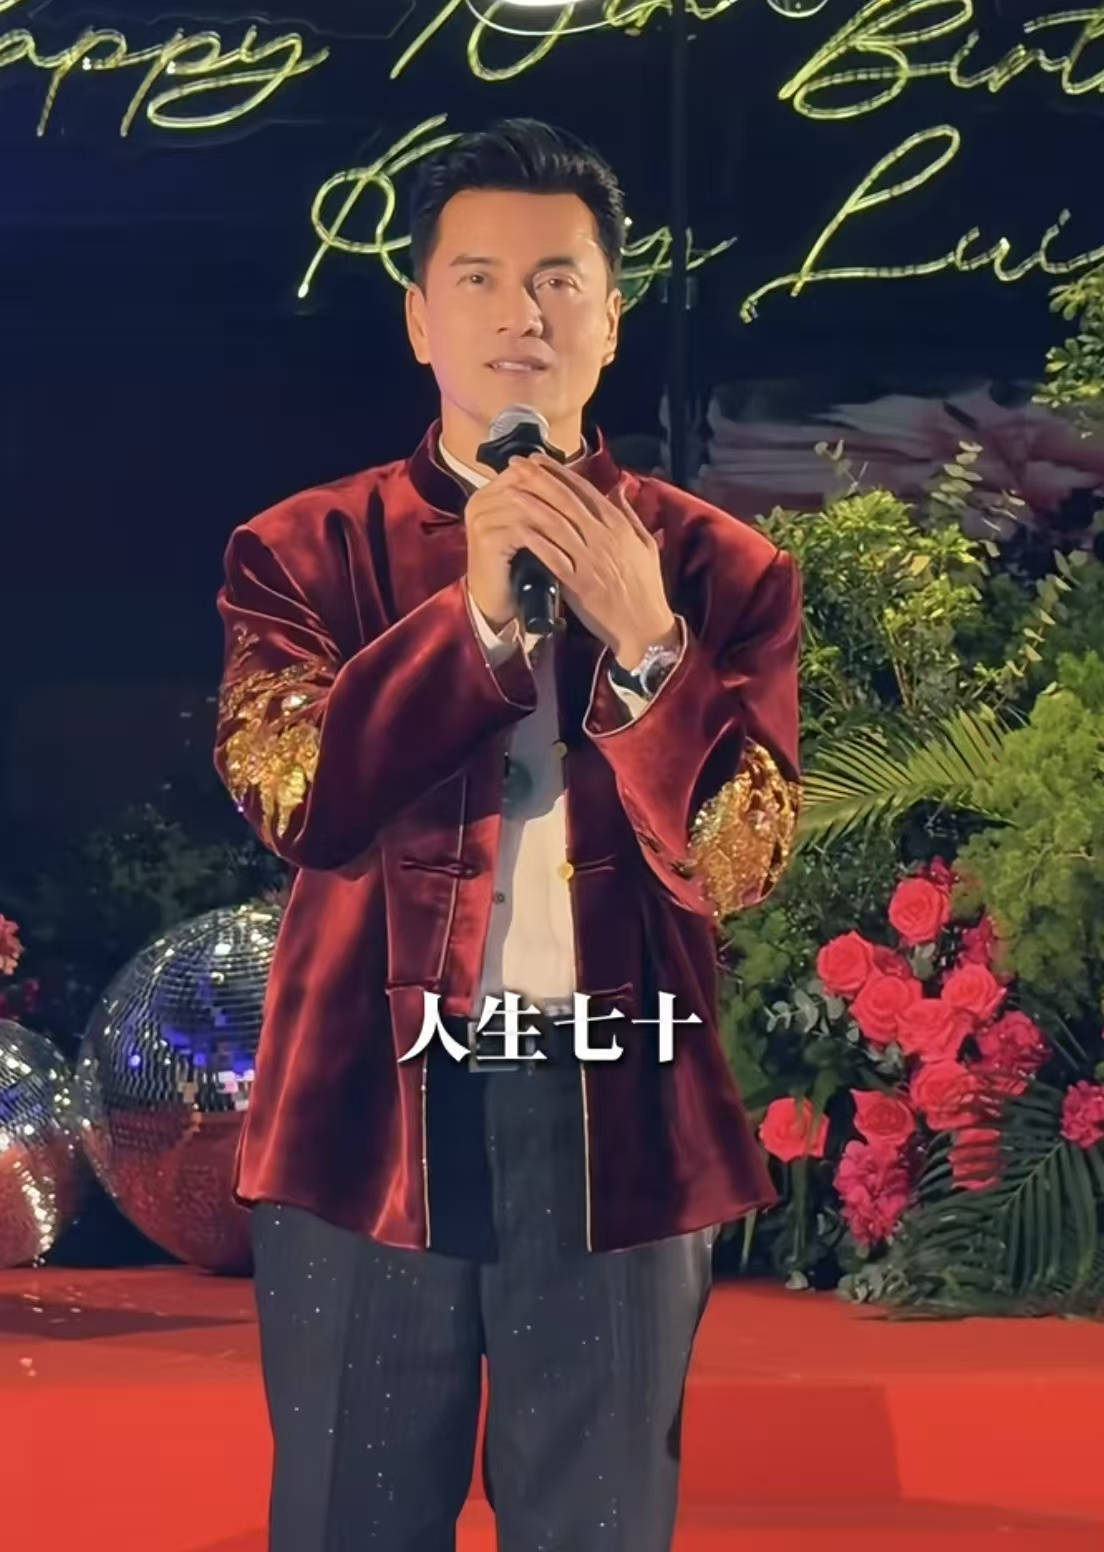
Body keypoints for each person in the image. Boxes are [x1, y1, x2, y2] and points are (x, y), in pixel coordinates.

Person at [213, 118, 802, 1552]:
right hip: (365, 1111)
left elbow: (740, 860)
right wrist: (475, 621)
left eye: (556, 280)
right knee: (350, 1518)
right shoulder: (302, 552)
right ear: (421, 319)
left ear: (611, 317)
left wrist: (651, 647)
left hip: (623, 1108)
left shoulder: (721, 570)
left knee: (598, 1522)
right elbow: (295, 797)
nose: (518, 313)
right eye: (476, 279)